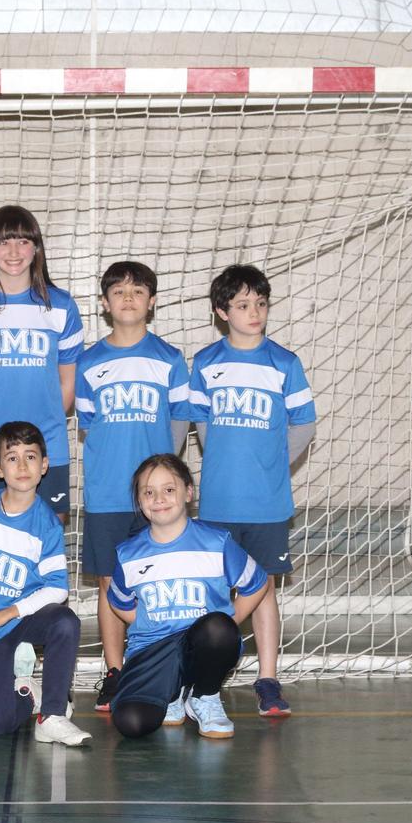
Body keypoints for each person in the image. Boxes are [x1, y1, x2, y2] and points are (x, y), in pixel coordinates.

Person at [175, 263, 316, 718]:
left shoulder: (284, 363)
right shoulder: (207, 363)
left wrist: (272, 464)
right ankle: (203, 679)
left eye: (260, 303)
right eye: (242, 305)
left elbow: (304, 425)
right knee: (214, 590)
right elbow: (197, 425)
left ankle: (268, 679)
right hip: (218, 500)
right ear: (221, 312)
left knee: (265, 588)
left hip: (267, 502)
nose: (253, 312)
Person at [73, 260, 189, 715]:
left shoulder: (169, 359)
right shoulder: (90, 361)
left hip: (155, 496)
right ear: (104, 304)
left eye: (138, 291)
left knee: (161, 579)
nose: (127, 298)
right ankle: (116, 669)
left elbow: (178, 425)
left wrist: (160, 477)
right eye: (118, 291)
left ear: (152, 302)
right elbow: (87, 423)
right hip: (106, 493)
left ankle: (161, 667)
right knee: (110, 582)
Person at [105, 454, 269, 740]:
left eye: (169, 489)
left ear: (188, 492)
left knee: (218, 629)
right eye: (148, 492)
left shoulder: (217, 543)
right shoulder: (128, 554)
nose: (159, 498)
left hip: (201, 643)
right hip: (153, 650)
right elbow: (119, 603)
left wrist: (231, 621)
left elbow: (257, 582)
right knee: (131, 723)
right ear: (140, 502)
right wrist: (147, 622)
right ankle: (173, 692)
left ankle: (203, 695)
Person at [0, 422, 91, 746]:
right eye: (12, 457)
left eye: (31, 457)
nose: (22, 466)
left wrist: (10, 611)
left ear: (44, 466)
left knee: (65, 622)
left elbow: (58, 588)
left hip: (22, 617)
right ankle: (30, 695)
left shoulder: (47, 523)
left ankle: (52, 715)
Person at [0, 206, 84, 514]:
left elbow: (67, 383)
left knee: (44, 538)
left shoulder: (61, 307)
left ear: (36, 248)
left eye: (23, 241)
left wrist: (37, 430)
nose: (13, 251)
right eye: (3, 242)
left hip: (45, 446)